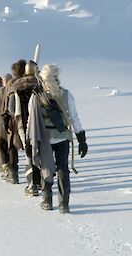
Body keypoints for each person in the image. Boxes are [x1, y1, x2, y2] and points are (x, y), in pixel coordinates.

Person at [27, 64, 88, 214]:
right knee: (63, 169)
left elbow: (31, 120)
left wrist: (30, 141)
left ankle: (47, 201)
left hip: (44, 139)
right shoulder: (67, 95)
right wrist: (81, 139)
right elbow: (74, 118)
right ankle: (64, 205)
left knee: (46, 168)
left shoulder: (36, 97)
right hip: (62, 138)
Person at [5, 60, 42, 194]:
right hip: (40, 124)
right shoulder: (41, 85)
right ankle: (40, 181)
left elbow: (10, 109)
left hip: (22, 123)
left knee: (29, 153)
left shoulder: (15, 86)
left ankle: (32, 185)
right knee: (39, 153)